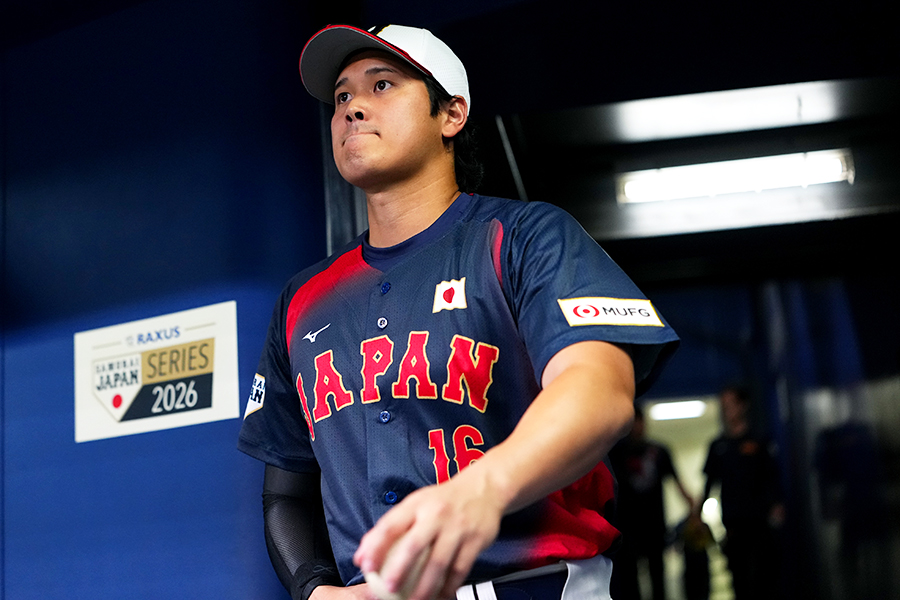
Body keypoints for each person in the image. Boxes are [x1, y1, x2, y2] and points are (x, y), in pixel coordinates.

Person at [237, 23, 679, 600]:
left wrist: (484, 489)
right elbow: (286, 493)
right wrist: (317, 590)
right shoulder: (303, 300)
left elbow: (600, 392)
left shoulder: (523, 236)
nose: (352, 109)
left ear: (451, 114)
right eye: (342, 96)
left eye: (383, 85)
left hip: (536, 586)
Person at [699, 385, 784, 600]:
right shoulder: (718, 446)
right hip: (733, 525)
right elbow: (709, 483)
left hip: (760, 522)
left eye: (731, 404)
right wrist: (698, 515)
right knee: (739, 580)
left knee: (764, 578)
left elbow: (772, 477)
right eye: (723, 405)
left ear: (743, 406)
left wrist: (776, 505)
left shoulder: (759, 441)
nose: (727, 410)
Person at [609, 406, 694, 600]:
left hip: (655, 526)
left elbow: (677, 482)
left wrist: (693, 509)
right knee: (630, 580)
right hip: (628, 528)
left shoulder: (659, 451)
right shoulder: (616, 453)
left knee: (657, 576)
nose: (636, 427)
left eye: (639, 421)